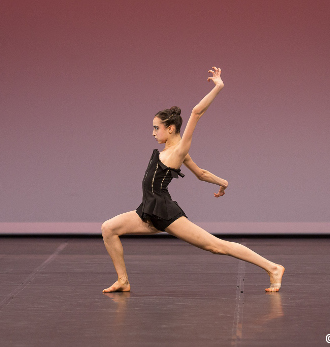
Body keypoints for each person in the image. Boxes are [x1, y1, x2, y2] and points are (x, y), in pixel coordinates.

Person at [101, 67, 285, 293]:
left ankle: (273, 268)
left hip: (165, 212)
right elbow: (200, 173)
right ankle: (123, 280)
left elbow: (196, 112)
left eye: (156, 128)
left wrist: (218, 86)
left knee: (216, 246)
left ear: (170, 128)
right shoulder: (170, 153)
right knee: (108, 228)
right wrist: (223, 182)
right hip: (148, 211)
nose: (153, 133)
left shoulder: (179, 150)